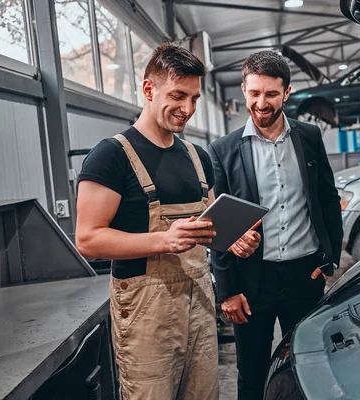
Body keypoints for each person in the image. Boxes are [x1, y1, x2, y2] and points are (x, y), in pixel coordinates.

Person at [74, 43, 261, 400]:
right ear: (149, 89)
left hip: (199, 304)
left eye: (194, 99)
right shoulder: (111, 156)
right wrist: (164, 240)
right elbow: (87, 239)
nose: (187, 109)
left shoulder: (197, 157)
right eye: (178, 96)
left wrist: (232, 239)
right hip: (147, 314)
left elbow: (206, 225)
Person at [208, 50, 344, 400]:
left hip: (305, 275)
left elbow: (328, 200)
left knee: (309, 365)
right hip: (252, 282)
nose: (261, 102)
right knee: (251, 372)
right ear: (243, 90)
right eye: (254, 93)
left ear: (286, 92)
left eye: (270, 93)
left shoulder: (309, 137)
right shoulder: (223, 151)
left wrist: (329, 260)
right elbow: (218, 227)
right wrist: (227, 291)